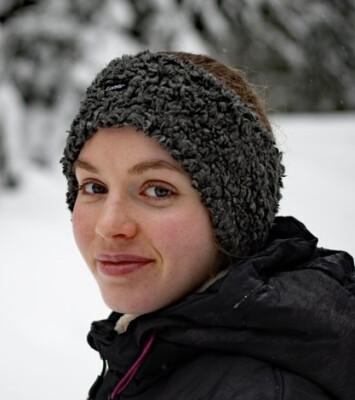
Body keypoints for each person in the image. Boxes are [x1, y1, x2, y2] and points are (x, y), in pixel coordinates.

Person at [61, 50, 355, 400]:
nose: (109, 225)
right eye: (94, 187)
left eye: (157, 190)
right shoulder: (155, 345)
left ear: (232, 214)